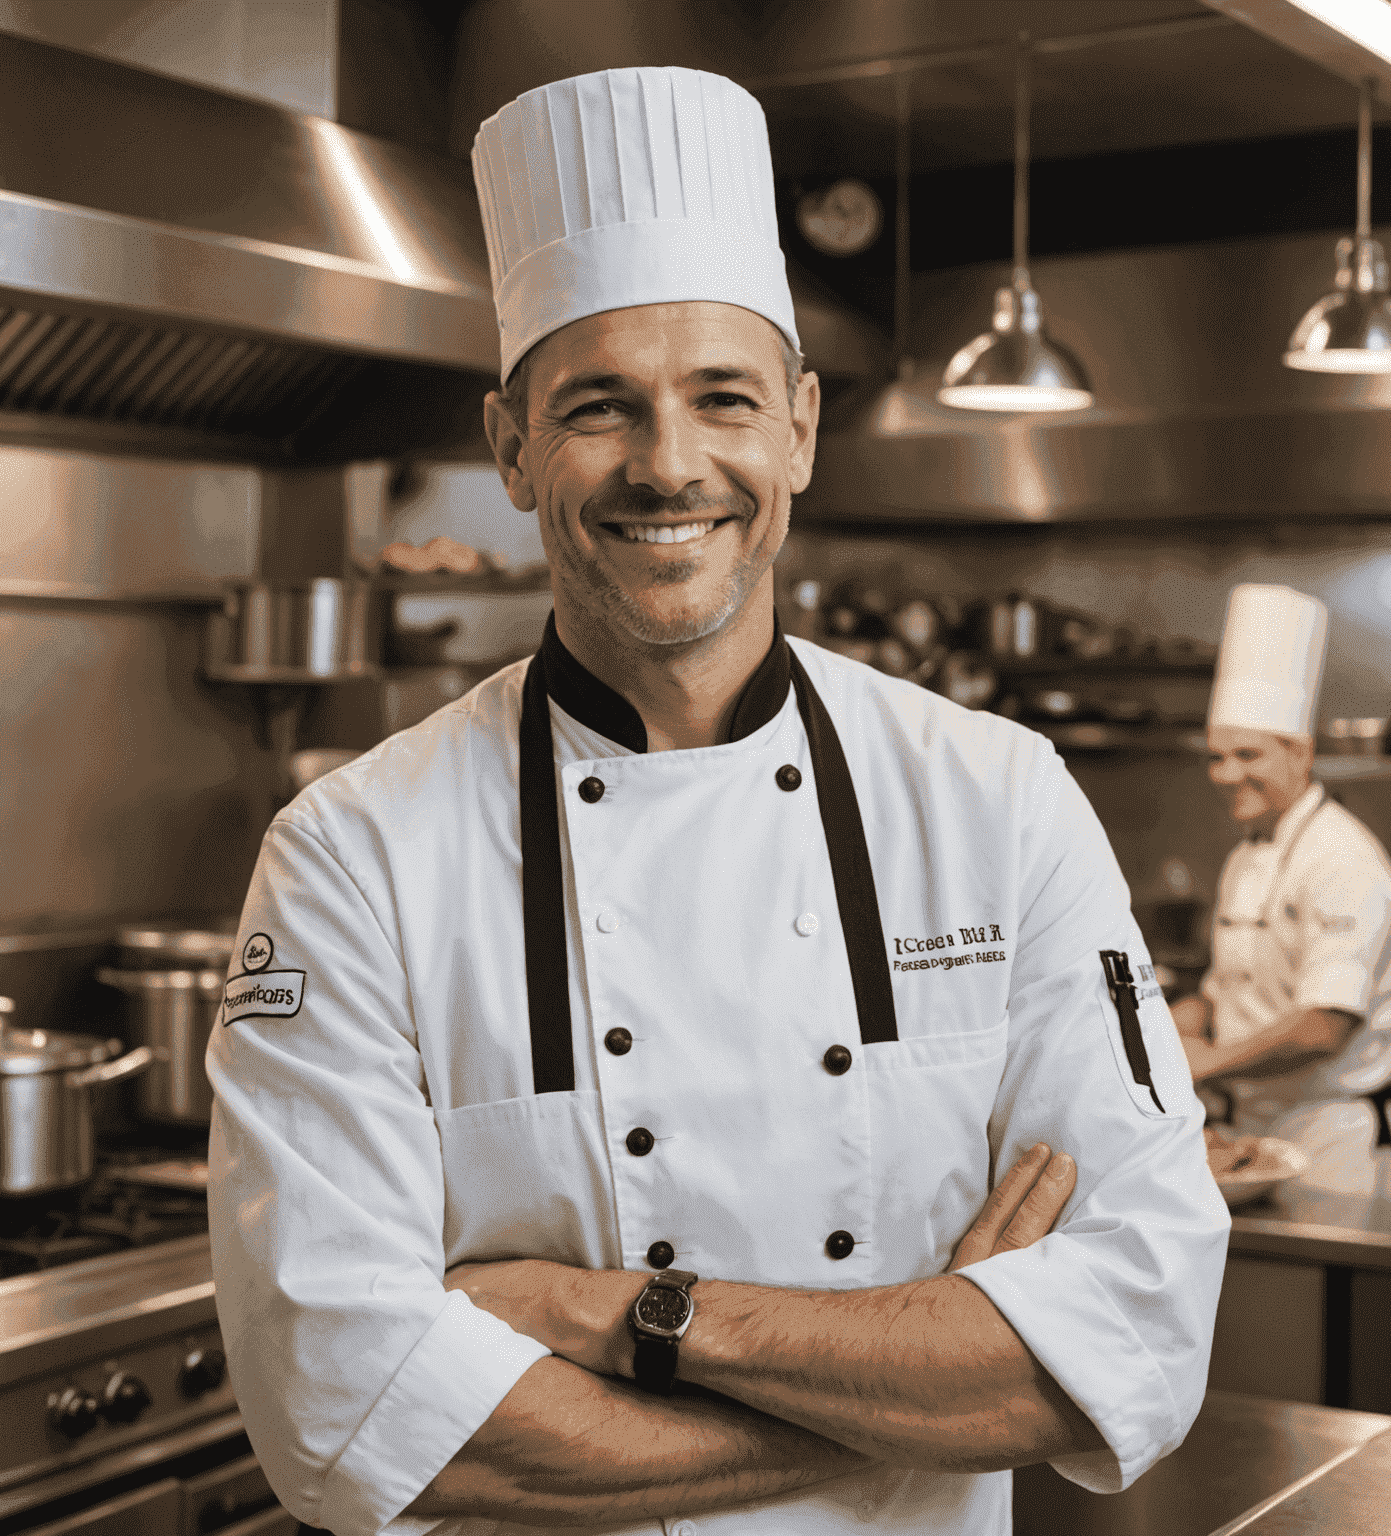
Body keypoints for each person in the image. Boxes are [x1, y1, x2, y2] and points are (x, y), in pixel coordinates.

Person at [207, 66, 1228, 1536]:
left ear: (799, 431)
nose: (670, 464)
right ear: (509, 448)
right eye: (599, 407)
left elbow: (1135, 1344)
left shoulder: (998, 800)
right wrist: (933, 1361)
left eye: (725, 400)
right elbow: (350, 1416)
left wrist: (625, 1316)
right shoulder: (354, 858)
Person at [1171, 583, 1391, 1215]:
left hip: (1336, 1140)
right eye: (1217, 756)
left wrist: (1203, 1065)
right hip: (1251, 1131)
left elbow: (1322, 1024)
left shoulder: (1341, 856)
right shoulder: (1247, 852)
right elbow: (1228, 982)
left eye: (1247, 754)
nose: (1226, 774)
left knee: (1332, 1310)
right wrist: (1188, 1018)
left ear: (1300, 751)